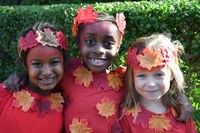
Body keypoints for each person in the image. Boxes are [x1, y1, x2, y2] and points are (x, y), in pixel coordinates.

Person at [3, 6, 194, 132]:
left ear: (118, 46)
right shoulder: (68, 71)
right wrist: (21, 76)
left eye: (108, 43)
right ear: (79, 43)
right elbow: (46, 71)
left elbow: (154, 80)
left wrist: (180, 98)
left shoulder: (123, 77)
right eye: (90, 42)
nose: (99, 50)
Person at [119, 34, 197, 133]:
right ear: (132, 77)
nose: (151, 84)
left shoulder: (181, 112)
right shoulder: (125, 116)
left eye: (159, 75)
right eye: (142, 76)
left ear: (171, 75)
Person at [0, 22, 68, 133]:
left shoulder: (64, 102)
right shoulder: (5, 94)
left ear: (63, 63)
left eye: (54, 62)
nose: (46, 72)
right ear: (25, 65)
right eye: (37, 64)